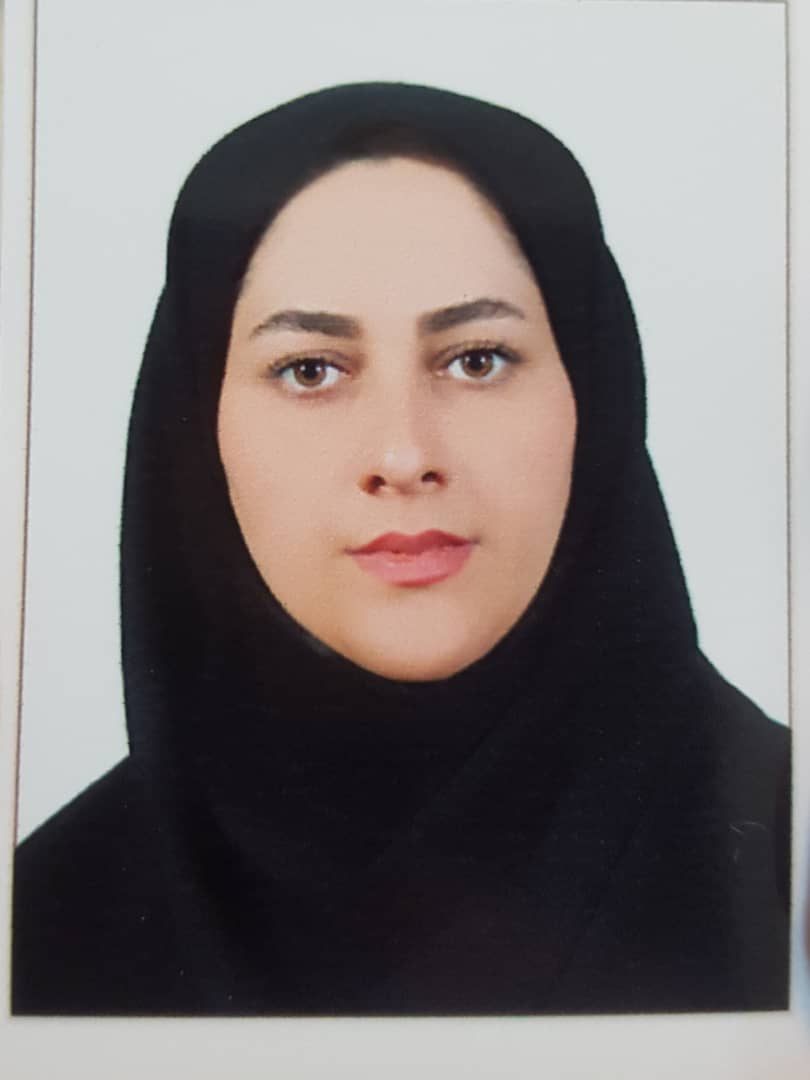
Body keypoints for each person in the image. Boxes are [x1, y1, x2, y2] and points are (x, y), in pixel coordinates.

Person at [12, 82, 790, 1015]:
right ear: (196, 426)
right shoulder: (41, 931)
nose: (403, 455)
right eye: (310, 370)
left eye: (477, 359)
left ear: (597, 392)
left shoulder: (782, 855)